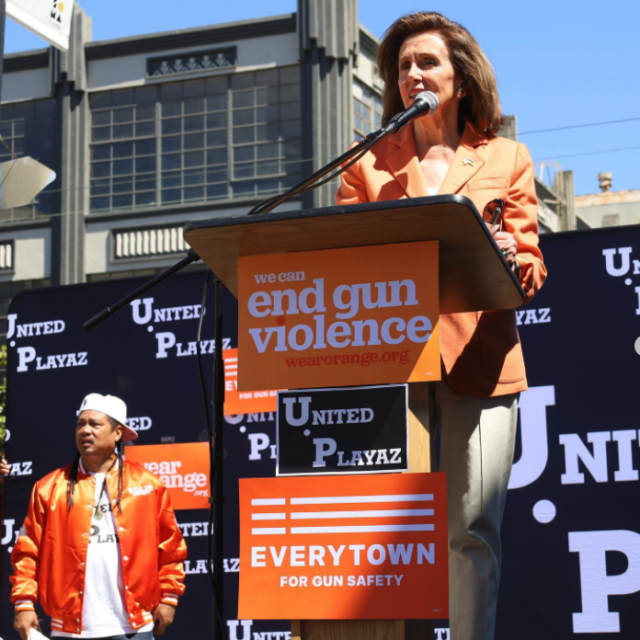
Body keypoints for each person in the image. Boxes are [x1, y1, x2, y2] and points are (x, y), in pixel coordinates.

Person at [337, 12, 546, 640]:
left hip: (479, 366)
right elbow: (343, 262)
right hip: (388, 368)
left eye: (426, 62)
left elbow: (532, 272)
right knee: (381, 533)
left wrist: (510, 258)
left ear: (460, 75)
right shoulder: (366, 162)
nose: (412, 75)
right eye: (402, 66)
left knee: (469, 532)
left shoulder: (506, 157)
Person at [10, 393, 187, 640]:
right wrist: (24, 603)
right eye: (80, 424)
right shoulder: (49, 487)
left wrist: (169, 598)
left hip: (134, 627)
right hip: (68, 628)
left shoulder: (148, 485)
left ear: (118, 433)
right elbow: (27, 552)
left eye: (95, 424)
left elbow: (171, 548)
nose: (85, 430)